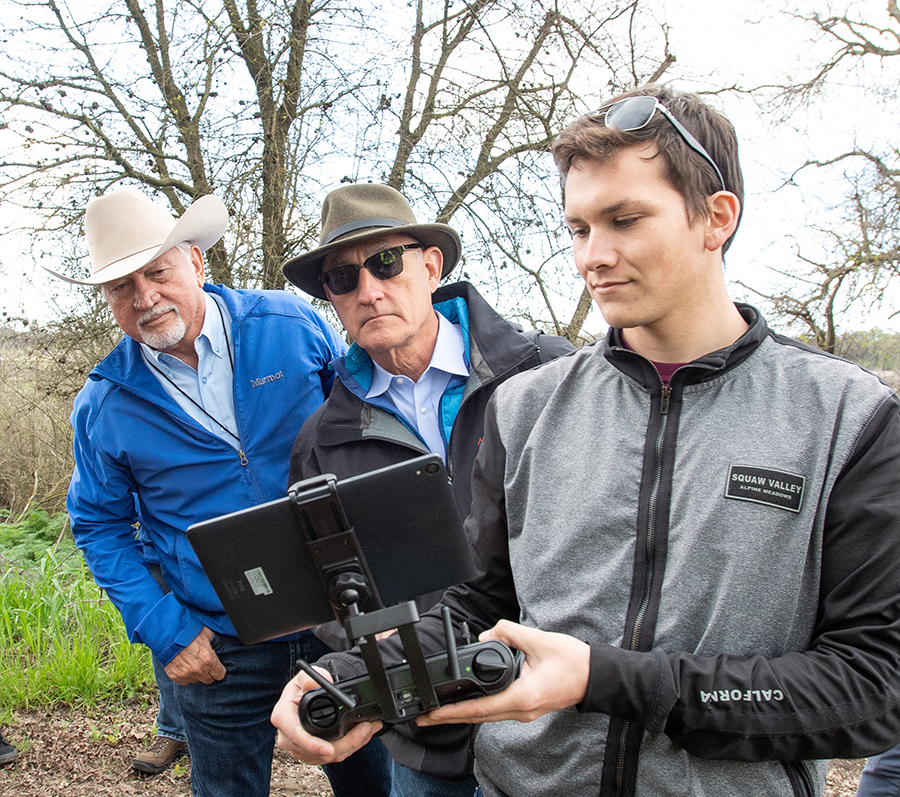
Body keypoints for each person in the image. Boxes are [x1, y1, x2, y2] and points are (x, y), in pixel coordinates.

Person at [271, 85, 900, 797]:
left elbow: (873, 683)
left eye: (625, 219)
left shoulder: (849, 417)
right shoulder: (528, 407)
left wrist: (607, 680)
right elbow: (477, 607)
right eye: (577, 229)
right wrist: (348, 677)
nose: (592, 257)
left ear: (715, 218)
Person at [46, 186, 372, 797]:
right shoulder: (105, 404)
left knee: (377, 781)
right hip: (220, 644)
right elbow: (100, 527)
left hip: (340, 615)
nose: (145, 299)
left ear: (195, 262)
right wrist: (165, 629)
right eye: (122, 288)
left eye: (158, 272)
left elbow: (367, 427)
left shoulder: (289, 326)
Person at [280, 183, 574, 795]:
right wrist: (367, 636)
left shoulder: (547, 374)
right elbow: (323, 584)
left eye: (385, 262)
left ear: (431, 265)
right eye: (341, 279)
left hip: (555, 718)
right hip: (424, 730)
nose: (368, 290)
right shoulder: (322, 439)